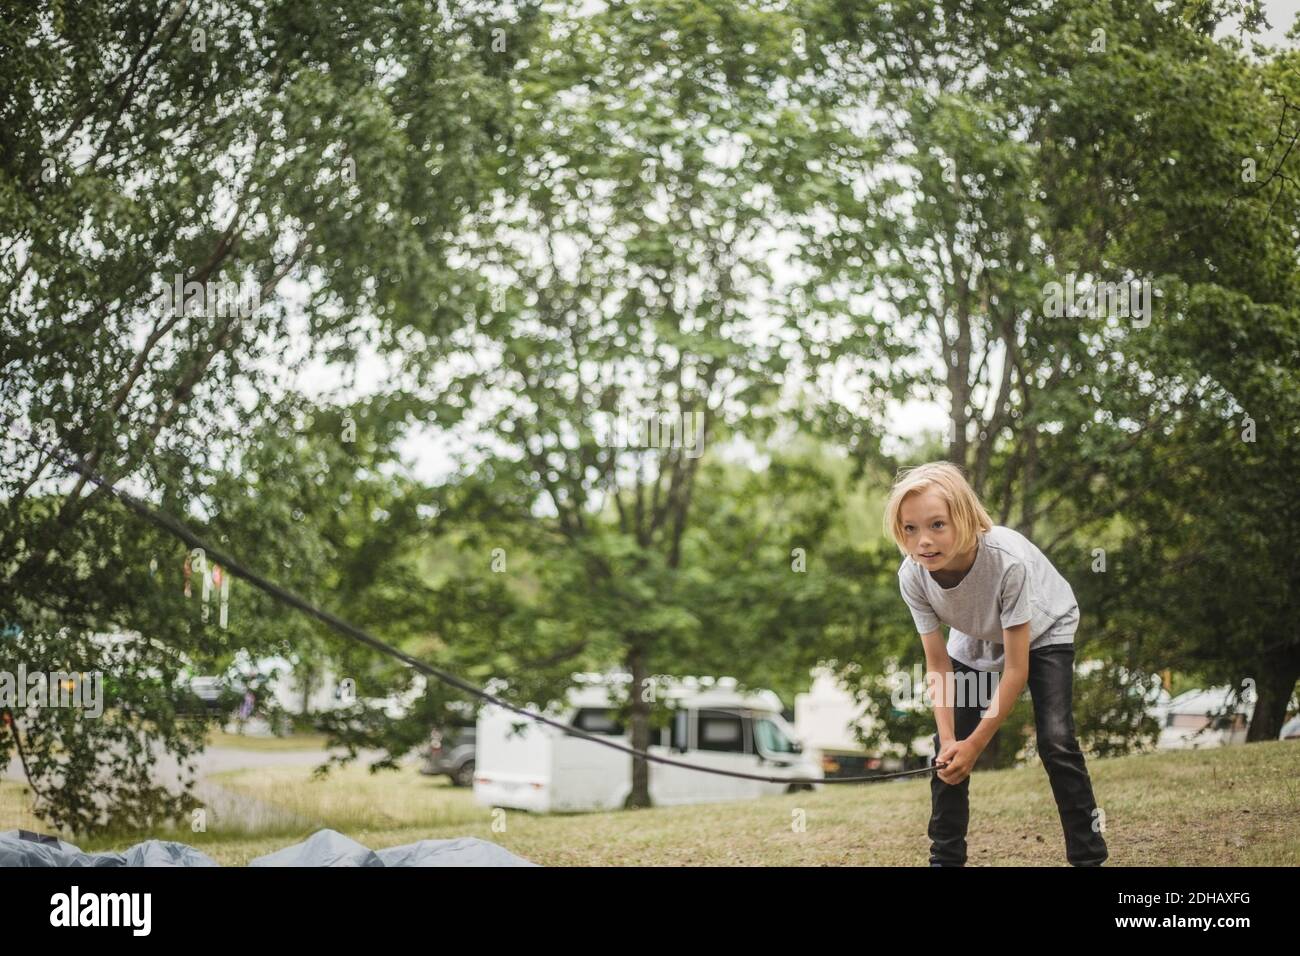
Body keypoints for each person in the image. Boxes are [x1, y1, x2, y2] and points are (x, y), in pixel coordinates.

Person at [883, 461, 1108, 867]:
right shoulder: (913, 575)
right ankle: (945, 859)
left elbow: (1016, 671)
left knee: (1056, 740)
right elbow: (938, 665)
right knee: (945, 751)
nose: (924, 542)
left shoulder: (1007, 562)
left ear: (965, 518)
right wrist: (953, 741)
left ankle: (1088, 857)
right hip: (975, 633)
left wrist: (977, 744)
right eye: (910, 529)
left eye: (937, 525)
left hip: (1043, 629)